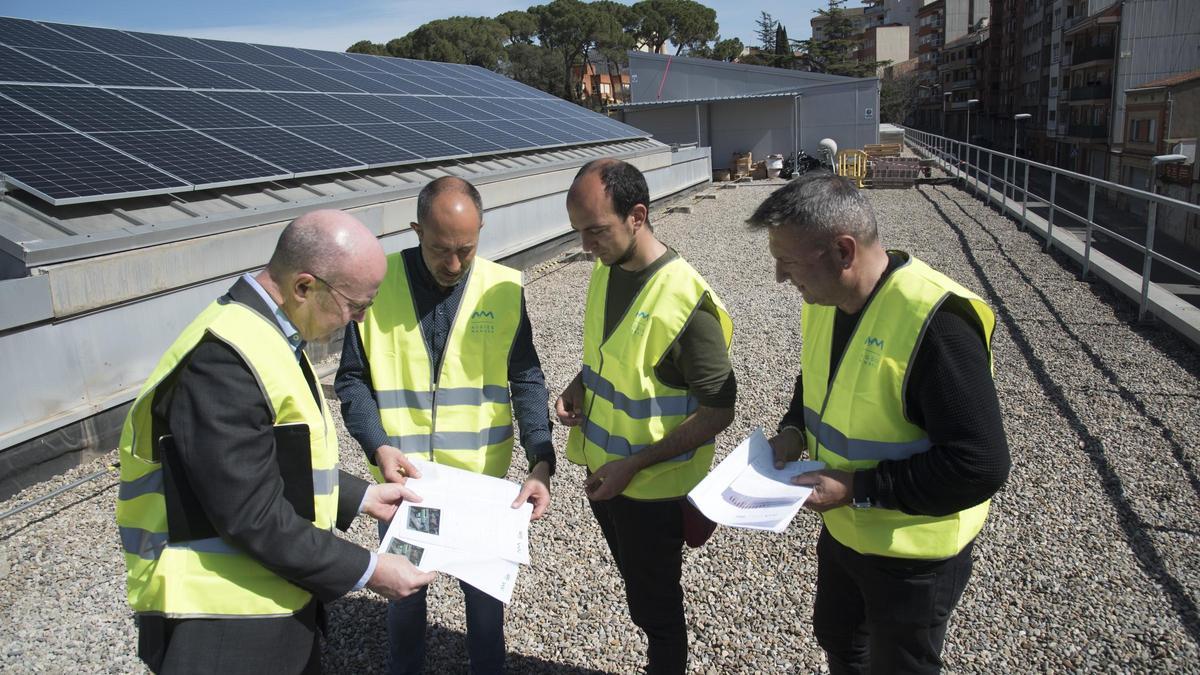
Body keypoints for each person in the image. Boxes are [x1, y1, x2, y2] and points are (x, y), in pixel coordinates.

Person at [115, 209, 437, 675]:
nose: (359, 320)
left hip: (264, 601)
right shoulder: (224, 361)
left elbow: (269, 461)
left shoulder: (269, 336)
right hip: (222, 623)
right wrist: (369, 569)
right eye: (355, 305)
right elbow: (251, 513)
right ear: (305, 286)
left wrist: (362, 497)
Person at [748, 173, 1011, 674]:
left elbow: (981, 465)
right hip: (846, 531)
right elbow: (821, 378)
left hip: (913, 554)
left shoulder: (937, 323)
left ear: (843, 251)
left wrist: (856, 486)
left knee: (900, 666)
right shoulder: (827, 300)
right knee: (839, 639)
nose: (780, 276)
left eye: (787, 261)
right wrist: (793, 429)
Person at [335, 176, 555, 675]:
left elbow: (526, 377)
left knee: (484, 609)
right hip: (405, 486)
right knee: (404, 599)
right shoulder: (378, 282)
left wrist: (541, 459)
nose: (454, 265)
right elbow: (352, 380)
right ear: (416, 230)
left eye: (466, 249)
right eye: (440, 249)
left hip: (480, 490)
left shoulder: (501, 288)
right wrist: (377, 445)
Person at [556, 158, 736, 675]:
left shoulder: (686, 302)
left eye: (596, 231)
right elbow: (609, 355)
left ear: (637, 215)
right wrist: (578, 384)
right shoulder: (605, 269)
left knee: (657, 612)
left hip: (652, 491)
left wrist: (635, 465)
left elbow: (718, 411)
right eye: (579, 233)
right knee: (642, 597)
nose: (585, 246)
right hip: (606, 476)